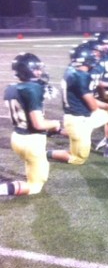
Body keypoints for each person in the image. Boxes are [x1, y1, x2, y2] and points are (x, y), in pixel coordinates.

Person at [47, 43, 108, 164]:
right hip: (78, 121)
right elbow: (93, 106)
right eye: (92, 56)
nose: (94, 58)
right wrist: (107, 105)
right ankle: (45, 153)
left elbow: (89, 99)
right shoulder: (80, 76)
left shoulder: (71, 71)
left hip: (82, 117)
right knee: (78, 159)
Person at [1, 53, 62, 196]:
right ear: (27, 70)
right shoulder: (33, 89)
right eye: (36, 69)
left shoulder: (10, 88)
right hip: (31, 140)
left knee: (33, 166)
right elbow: (38, 124)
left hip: (17, 137)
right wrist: (54, 123)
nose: (39, 72)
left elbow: (24, 95)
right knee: (35, 186)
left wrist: (38, 86)